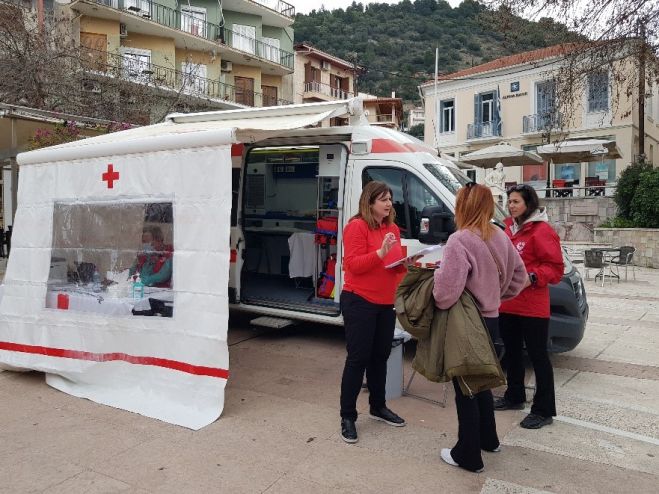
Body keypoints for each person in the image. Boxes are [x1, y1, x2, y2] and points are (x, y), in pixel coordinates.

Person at [433, 183, 527, 472]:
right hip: (493, 321)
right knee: (482, 383)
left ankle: (468, 455)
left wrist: (437, 275)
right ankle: (489, 439)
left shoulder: (459, 240)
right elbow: (520, 278)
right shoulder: (500, 235)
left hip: (468, 323)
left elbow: (445, 293)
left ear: (463, 206)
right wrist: (496, 296)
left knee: (466, 389)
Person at [339, 181, 417, 444]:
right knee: (357, 359)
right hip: (359, 301)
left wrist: (406, 264)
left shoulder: (392, 228)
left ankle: (378, 405)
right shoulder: (356, 226)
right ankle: (347, 415)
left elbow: (392, 267)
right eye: (383, 199)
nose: (388, 203)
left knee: (380, 357)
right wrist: (380, 252)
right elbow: (353, 266)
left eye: (390, 199)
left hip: (385, 304)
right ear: (369, 202)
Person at [495, 184, 564, 430]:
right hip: (508, 304)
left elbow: (556, 269)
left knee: (538, 357)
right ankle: (514, 396)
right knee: (512, 353)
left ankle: (544, 410)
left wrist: (532, 277)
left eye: (516, 202)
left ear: (529, 204)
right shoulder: (508, 229)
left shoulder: (541, 231)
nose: (511, 206)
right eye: (509, 201)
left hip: (533, 306)